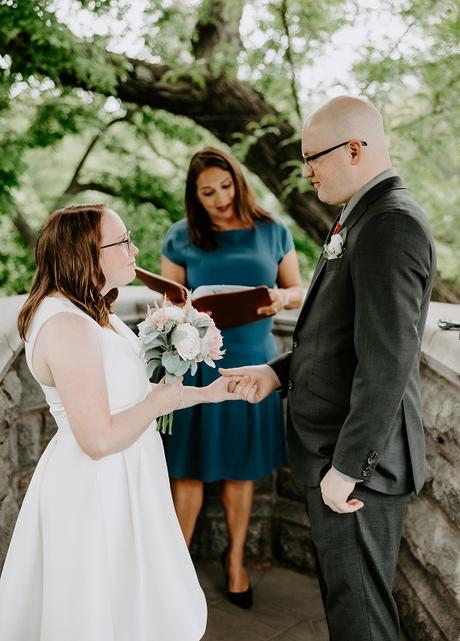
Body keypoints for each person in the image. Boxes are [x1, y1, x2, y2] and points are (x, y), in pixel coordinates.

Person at [221, 96, 436, 640]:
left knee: (360, 617)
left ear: (356, 149)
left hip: (358, 468)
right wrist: (276, 373)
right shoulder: (357, 215)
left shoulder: (391, 225)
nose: (307, 171)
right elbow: (337, 339)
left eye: (313, 157)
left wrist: (347, 469)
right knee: (349, 605)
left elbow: (386, 363)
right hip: (336, 457)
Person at [0, 203, 255, 641]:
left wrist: (209, 393)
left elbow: (138, 400)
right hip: (97, 487)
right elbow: (98, 438)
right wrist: (160, 403)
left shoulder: (92, 310)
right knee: (98, 612)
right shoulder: (66, 326)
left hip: (127, 473)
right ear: (87, 254)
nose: (135, 249)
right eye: (123, 242)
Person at [161, 146, 303, 608]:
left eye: (226, 186)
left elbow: (299, 291)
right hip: (197, 363)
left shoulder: (273, 230)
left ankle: (236, 561)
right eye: (208, 192)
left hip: (255, 359)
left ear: (239, 182)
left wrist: (282, 299)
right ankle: (175, 571)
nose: (220, 197)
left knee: (241, 471)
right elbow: (168, 302)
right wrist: (180, 311)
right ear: (194, 197)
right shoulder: (180, 237)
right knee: (188, 470)